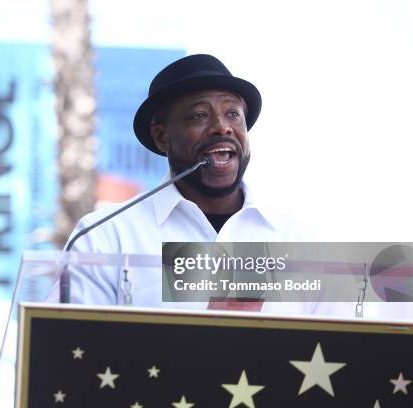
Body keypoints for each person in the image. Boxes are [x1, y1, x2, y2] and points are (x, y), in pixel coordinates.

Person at [49, 54, 342, 316]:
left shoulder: (302, 242)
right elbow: (69, 350)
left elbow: (342, 350)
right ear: (162, 137)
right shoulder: (106, 237)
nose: (222, 127)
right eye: (200, 115)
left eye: (232, 114)